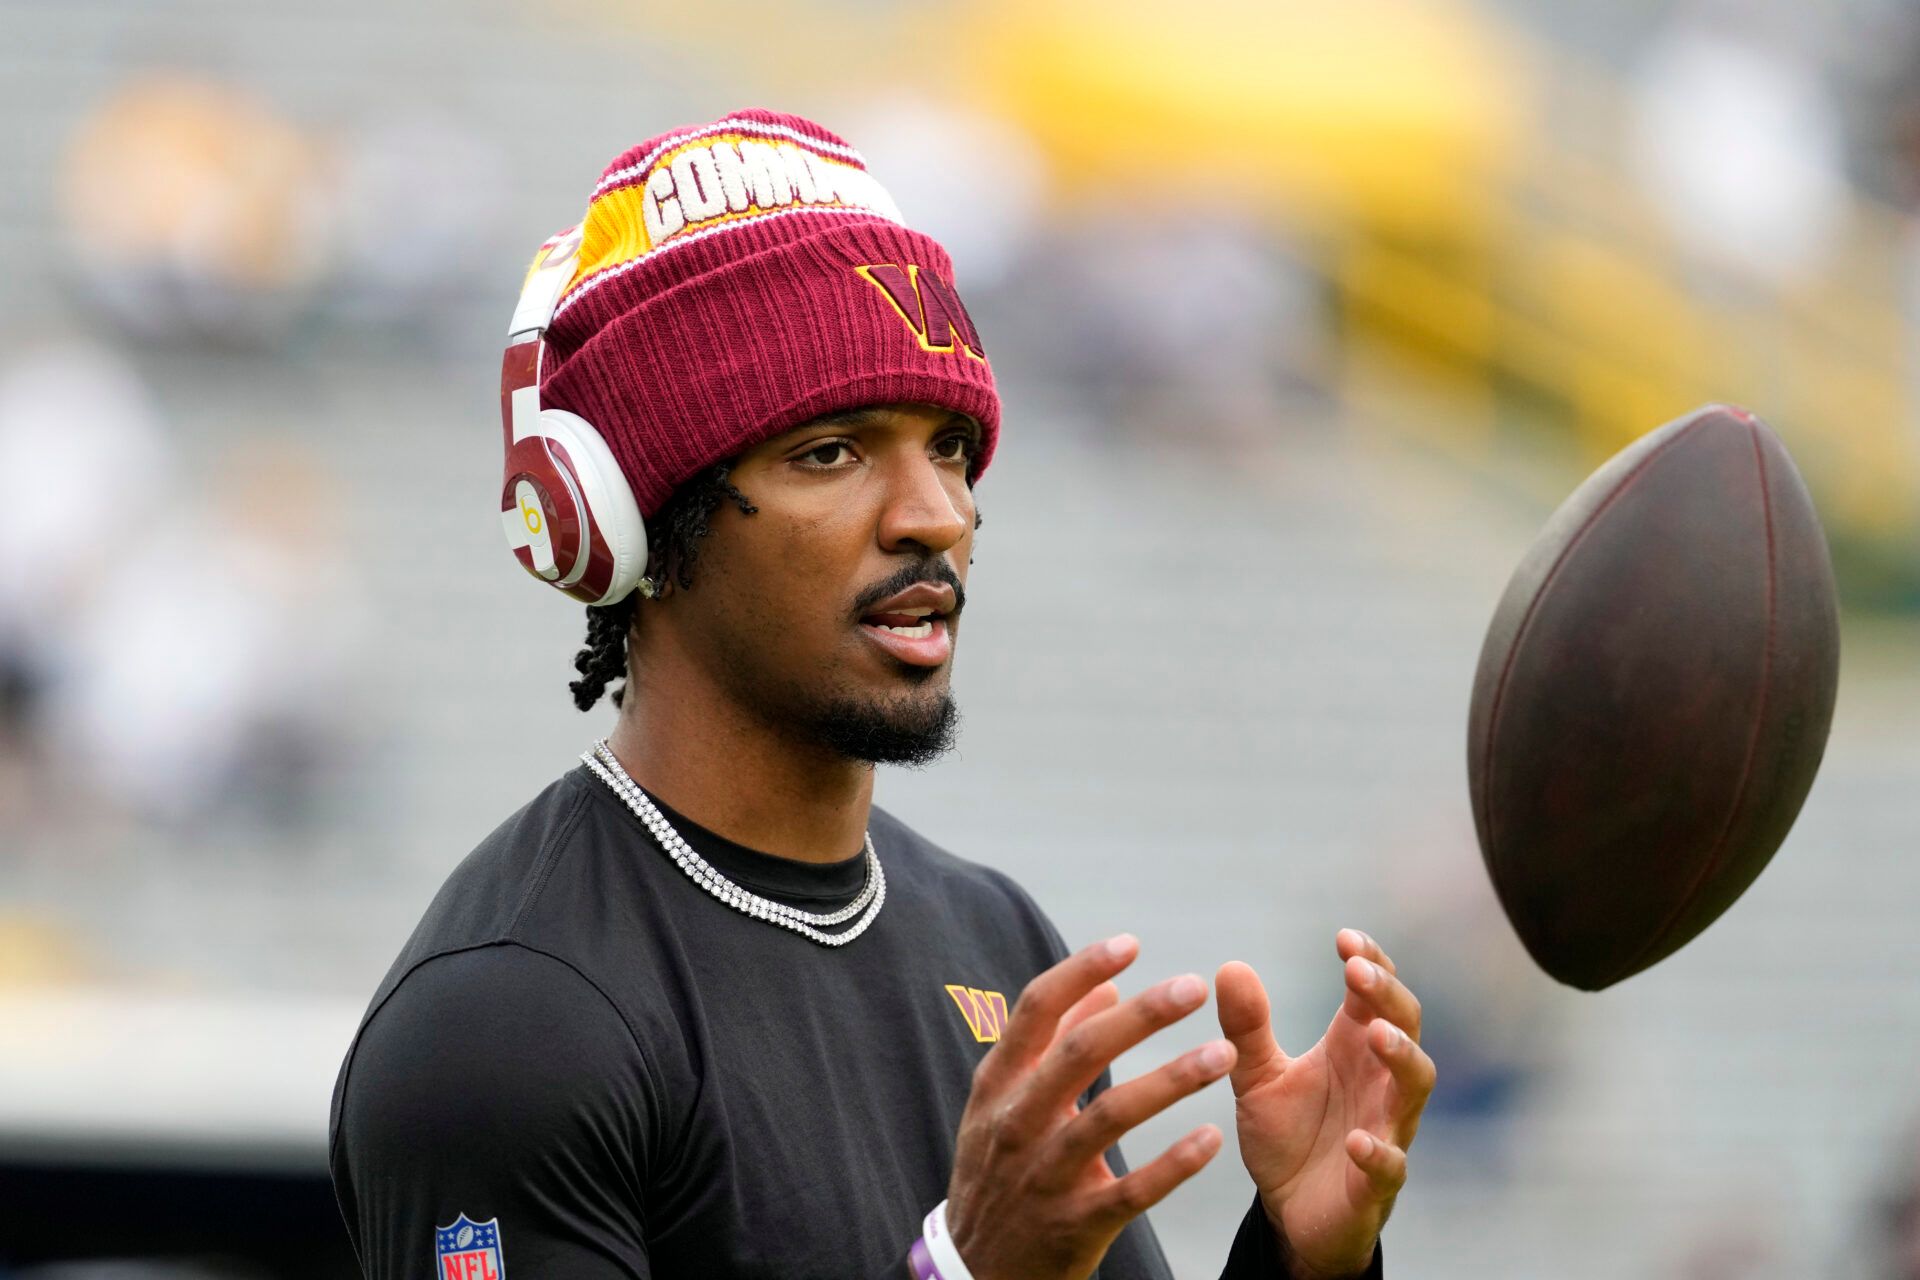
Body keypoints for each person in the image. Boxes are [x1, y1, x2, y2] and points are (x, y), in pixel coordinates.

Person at [328, 109, 1434, 1280]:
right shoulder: (510, 1017)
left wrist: (1307, 1260)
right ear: (631, 523)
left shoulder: (995, 938)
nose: (937, 513)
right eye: (833, 450)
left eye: (950, 443)